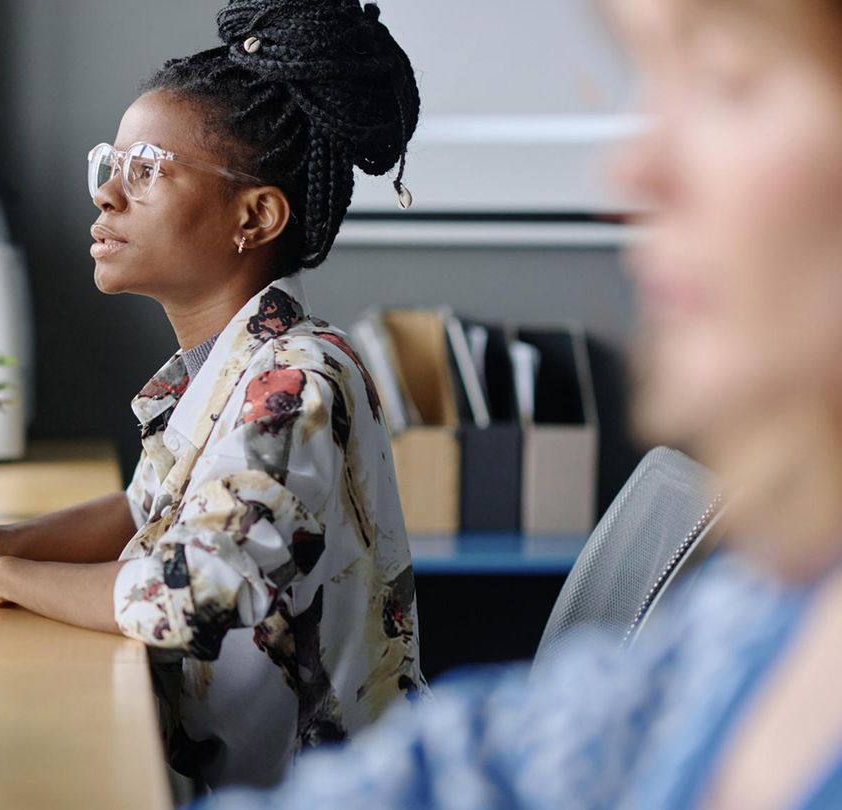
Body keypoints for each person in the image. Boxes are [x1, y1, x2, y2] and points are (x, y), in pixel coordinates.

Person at [193, 0, 842, 806]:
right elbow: (484, 761)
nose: (629, 172)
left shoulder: (294, 375)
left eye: (725, 81)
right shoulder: (763, 612)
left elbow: (195, 597)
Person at [0, 0, 424, 789]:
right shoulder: (230, 365)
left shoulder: (294, 382)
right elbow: (148, 514)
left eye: (147, 172)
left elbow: (189, 592)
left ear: (255, 216)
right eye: (112, 165)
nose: (106, 194)